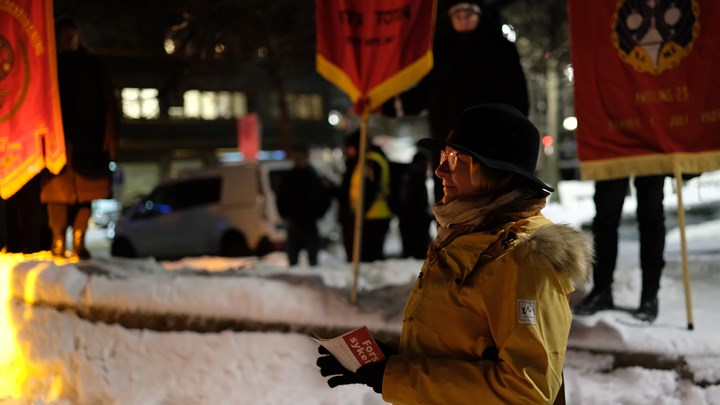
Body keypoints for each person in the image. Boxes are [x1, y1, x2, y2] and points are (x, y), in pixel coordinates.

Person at [317, 104, 593, 404]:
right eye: (443, 156)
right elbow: (462, 340)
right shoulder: (466, 235)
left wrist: (397, 377)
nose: (440, 170)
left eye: (457, 159)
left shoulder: (524, 258)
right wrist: (392, 361)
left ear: (495, 171)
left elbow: (525, 390)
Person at [382, 0, 529, 203]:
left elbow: (516, 97)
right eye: (457, 15)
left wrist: (514, 137)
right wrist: (387, 104)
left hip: (490, 146)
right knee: (448, 197)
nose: (463, 19)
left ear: (479, 14)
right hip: (448, 142)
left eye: (468, 13)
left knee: (488, 200)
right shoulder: (439, 51)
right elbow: (424, 93)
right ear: (449, 17)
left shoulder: (500, 49)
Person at [40, 18, 117, 259]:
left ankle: (79, 241)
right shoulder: (50, 66)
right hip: (57, 144)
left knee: (87, 194)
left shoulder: (93, 65)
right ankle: (58, 241)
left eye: (73, 33)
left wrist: (109, 137)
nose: (69, 38)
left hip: (90, 144)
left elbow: (108, 103)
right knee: (57, 195)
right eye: (65, 34)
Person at [573, 176, 666, 322]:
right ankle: (601, 291)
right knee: (605, 215)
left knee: (651, 214)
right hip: (613, 154)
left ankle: (650, 295)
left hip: (649, 155)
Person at [339, 130, 393, 263]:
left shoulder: (370, 161)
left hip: (373, 217)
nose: (349, 151)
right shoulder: (365, 160)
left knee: (369, 260)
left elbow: (370, 190)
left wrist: (360, 213)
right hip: (369, 216)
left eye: (350, 147)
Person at [275, 146, 331, 267]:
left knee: (313, 259)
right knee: (292, 259)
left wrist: (319, 213)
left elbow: (325, 197)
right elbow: (280, 198)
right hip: (294, 222)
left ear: (306, 158)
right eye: (295, 158)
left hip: (310, 222)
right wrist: (284, 213)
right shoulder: (288, 177)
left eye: (300, 157)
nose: (297, 160)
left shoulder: (314, 177)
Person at [397, 151, 433, 259]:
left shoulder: (408, 175)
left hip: (409, 220)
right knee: (417, 252)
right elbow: (415, 201)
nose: (427, 166)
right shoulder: (415, 177)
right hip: (414, 221)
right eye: (425, 163)